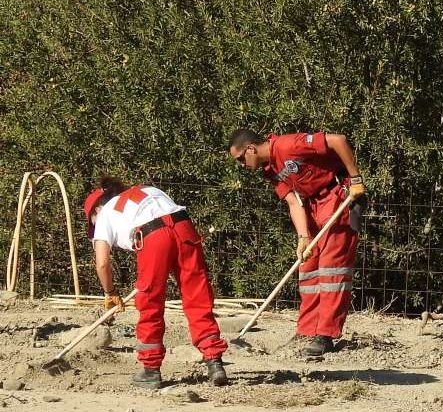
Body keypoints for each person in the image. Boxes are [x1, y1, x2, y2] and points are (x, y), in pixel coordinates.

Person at [228, 129, 366, 357]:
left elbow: (337, 140)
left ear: (251, 148)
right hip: (312, 205)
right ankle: (307, 330)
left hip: (337, 195)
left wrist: (356, 178)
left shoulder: (289, 145)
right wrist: (303, 237)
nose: (242, 165)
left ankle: (326, 334)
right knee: (308, 266)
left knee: (332, 269)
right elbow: (293, 202)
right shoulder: (269, 170)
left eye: (241, 159)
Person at [83, 178, 229, 389]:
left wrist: (110, 292)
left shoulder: (105, 214)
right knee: (197, 295)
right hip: (183, 226)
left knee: (150, 301)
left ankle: (151, 370)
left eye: (92, 222)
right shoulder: (147, 190)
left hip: (152, 236)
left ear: (97, 209)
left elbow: (102, 264)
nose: (95, 227)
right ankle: (215, 362)